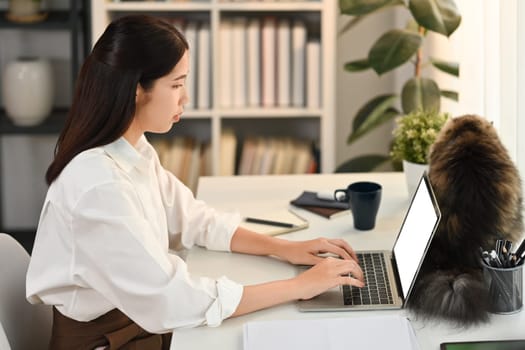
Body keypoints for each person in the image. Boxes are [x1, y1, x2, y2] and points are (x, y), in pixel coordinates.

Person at [26, 14, 364, 350]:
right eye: (176, 84)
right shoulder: (99, 186)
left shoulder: (132, 149)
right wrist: (298, 288)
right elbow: (173, 299)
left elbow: (195, 220)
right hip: (109, 341)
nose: (185, 98)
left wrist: (286, 250)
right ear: (135, 90)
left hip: (138, 323)